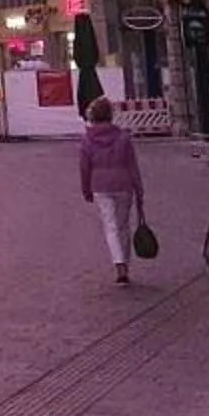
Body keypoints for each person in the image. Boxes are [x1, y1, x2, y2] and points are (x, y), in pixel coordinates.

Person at [79, 93, 145, 283]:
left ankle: (119, 264)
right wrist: (139, 188)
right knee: (123, 225)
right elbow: (132, 165)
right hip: (123, 184)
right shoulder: (123, 138)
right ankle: (125, 263)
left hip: (100, 185)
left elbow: (84, 167)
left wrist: (86, 189)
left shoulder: (87, 140)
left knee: (110, 226)